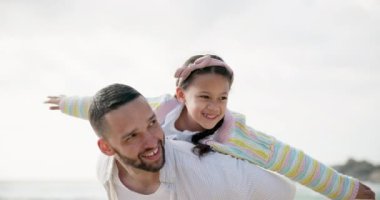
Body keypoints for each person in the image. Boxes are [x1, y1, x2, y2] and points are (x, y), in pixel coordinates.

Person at [45, 54, 375, 200]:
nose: (214, 107)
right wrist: (67, 103)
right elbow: (108, 109)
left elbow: (293, 162)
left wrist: (346, 190)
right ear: (180, 95)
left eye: (223, 97)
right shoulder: (159, 108)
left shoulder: (236, 136)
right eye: (204, 96)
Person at [88, 83, 296, 199]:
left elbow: (284, 192)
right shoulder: (106, 170)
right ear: (106, 148)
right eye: (132, 136)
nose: (152, 141)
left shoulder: (207, 173)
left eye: (152, 123)